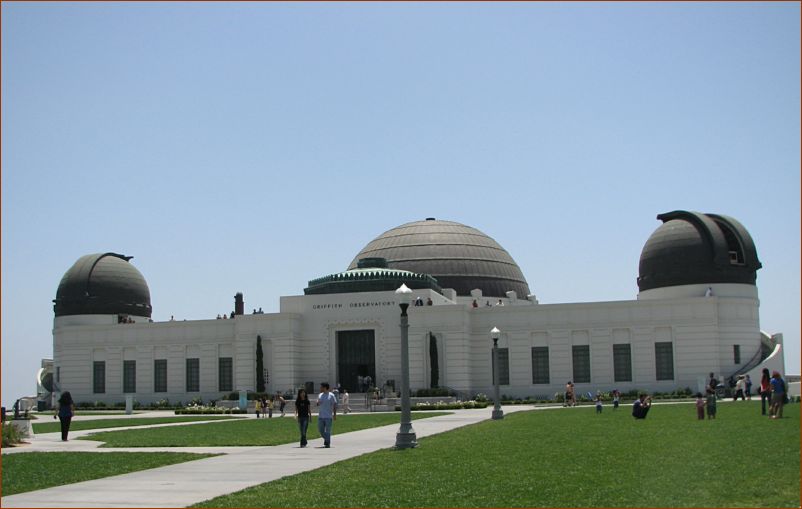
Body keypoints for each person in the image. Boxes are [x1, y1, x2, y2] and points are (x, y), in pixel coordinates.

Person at [316, 382, 337, 448]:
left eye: (321, 387)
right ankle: (327, 439)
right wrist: (318, 403)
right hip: (321, 416)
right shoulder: (320, 395)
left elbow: (334, 405)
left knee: (328, 431)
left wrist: (334, 415)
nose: (320, 388)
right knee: (321, 430)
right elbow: (317, 403)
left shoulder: (331, 395)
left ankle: (327, 443)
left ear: (325, 388)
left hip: (328, 416)